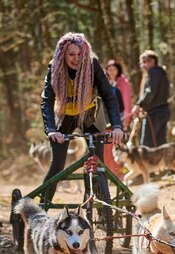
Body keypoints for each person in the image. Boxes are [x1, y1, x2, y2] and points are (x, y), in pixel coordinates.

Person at [41, 32, 124, 202]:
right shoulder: (54, 67)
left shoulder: (92, 65)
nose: (76, 58)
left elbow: (109, 96)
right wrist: (50, 129)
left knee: (97, 163)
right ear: (62, 55)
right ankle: (42, 207)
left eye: (79, 54)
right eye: (71, 54)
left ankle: (99, 205)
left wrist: (116, 126)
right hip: (64, 115)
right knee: (57, 165)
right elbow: (47, 100)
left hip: (90, 115)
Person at [130, 50, 170, 148]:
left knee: (146, 146)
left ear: (152, 61)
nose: (143, 65)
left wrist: (139, 104)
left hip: (154, 113)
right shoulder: (161, 73)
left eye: (145, 62)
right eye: (141, 63)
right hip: (163, 111)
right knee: (160, 146)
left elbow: (150, 92)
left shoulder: (154, 72)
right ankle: (161, 163)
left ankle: (148, 164)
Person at [105, 60, 132, 130]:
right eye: (109, 69)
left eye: (114, 69)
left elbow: (127, 101)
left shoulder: (124, 83)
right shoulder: (105, 82)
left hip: (121, 116)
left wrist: (126, 119)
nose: (111, 72)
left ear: (118, 70)